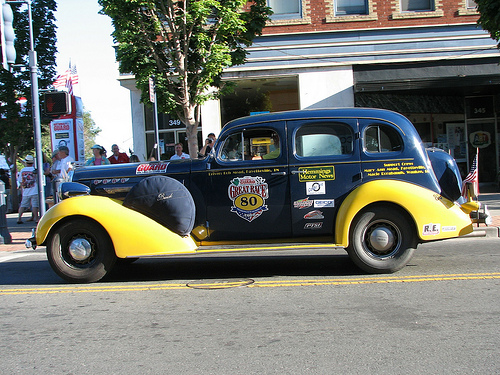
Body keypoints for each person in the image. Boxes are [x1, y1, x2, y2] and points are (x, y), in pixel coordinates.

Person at [17, 155, 39, 224]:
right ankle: (36, 218)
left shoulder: (22, 170)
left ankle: (19, 218)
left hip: (26, 190)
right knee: (35, 205)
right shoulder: (35, 169)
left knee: (23, 205)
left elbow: (20, 181)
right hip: (34, 190)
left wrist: (22, 187)